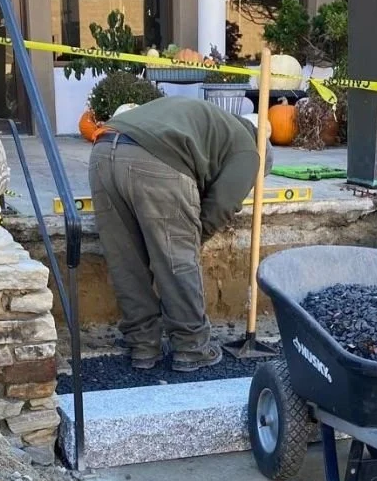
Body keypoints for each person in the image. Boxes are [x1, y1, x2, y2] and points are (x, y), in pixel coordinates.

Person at [88, 96, 273, 372]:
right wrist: (189, 239)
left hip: (103, 153)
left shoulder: (208, 122)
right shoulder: (251, 151)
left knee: (125, 262)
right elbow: (222, 205)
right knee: (178, 263)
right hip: (156, 162)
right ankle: (191, 347)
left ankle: (142, 345)